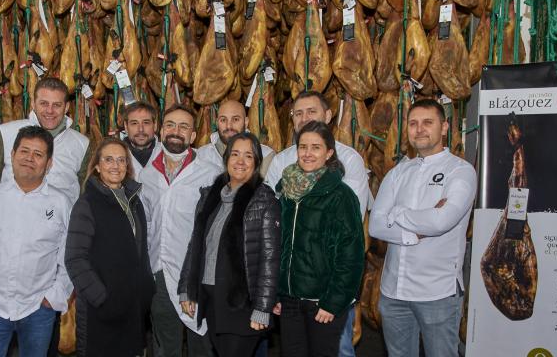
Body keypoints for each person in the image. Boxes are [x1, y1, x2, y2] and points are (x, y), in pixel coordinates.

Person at [369, 99, 477, 357]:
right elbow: (375, 226)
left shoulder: (460, 171)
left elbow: (441, 222)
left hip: (437, 292)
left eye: (428, 122)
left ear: (444, 127)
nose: (419, 129)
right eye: (413, 123)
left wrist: (398, 212)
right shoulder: (398, 172)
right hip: (394, 291)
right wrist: (412, 232)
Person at [265, 90, 368, 356]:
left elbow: (351, 253)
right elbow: (278, 244)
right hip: (290, 300)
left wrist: (333, 302)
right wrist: (276, 291)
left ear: (329, 153)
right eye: (303, 147)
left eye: (316, 148)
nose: (308, 154)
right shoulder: (286, 188)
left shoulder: (340, 193)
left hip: (323, 300)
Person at [0, 126, 73, 357]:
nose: (30, 159)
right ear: (12, 156)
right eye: (24, 151)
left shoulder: (61, 204)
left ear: (49, 164)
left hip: (39, 307)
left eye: (38, 155)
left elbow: (69, 254)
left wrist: (56, 294)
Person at [178, 132, 281, 357]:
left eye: (248, 156)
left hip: (242, 303)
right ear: (226, 159)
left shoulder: (264, 200)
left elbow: (270, 259)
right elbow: (194, 245)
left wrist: (263, 308)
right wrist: (187, 288)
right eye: (235, 154)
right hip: (212, 298)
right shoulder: (210, 196)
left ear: (256, 163)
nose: (240, 161)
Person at [138, 104, 221, 357]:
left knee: (201, 344)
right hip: (158, 272)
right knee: (165, 344)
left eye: (184, 126)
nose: (176, 131)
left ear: (193, 136)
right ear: (161, 131)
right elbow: (146, 224)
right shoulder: (147, 174)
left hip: (195, 274)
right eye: (171, 125)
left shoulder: (211, 174)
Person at [64, 138, 155, 356]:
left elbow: (140, 252)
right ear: (97, 166)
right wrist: (101, 298)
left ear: (127, 166)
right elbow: (75, 259)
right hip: (101, 310)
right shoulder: (87, 203)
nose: (115, 165)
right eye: (108, 159)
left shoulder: (134, 201)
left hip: (132, 307)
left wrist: (146, 290)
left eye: (121, 160)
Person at [0, 77, 90, 204]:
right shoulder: (7, 133)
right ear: (33, 104)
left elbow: (84, 193)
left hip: (61, 221)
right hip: (10, 219)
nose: (50, 110)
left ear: (66, 107)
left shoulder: (82, 144)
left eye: (57, 105)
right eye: (44, 103)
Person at [197, 100, 275, 177]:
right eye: (223, 120)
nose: (229, 126)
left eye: (235, 119)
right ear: (217, 123)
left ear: (246, 122)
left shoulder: (265, 156)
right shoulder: (202, 155)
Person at [121, 101, 161, 178]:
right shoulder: (114, 154)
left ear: (155, 125)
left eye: (146, 123)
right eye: (134, 123)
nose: (140, 129)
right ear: (126, 127)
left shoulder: (168, 155)